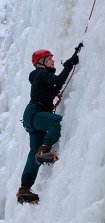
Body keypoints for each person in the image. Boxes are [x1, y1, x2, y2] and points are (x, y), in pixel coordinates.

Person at [16, 48, 79, 204]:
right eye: (49, 58)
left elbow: (56, 86)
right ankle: (44, 150)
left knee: (33, 153)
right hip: (36, 113)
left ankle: (24, 189)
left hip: (32, 117)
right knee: (58, 121)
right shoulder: (41, 73)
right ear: (41, 63)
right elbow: (58, 81)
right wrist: (69, 66)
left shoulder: (42, 77)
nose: (53, 60)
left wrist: (70, 64)